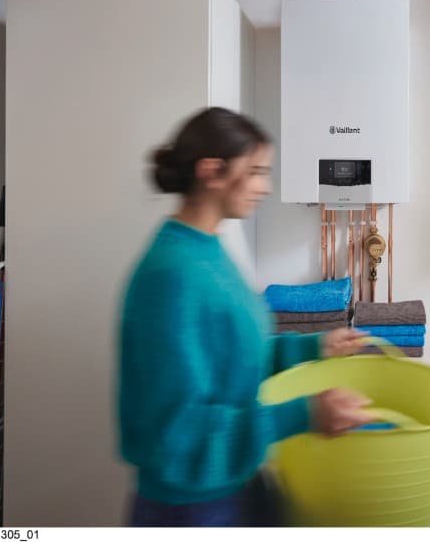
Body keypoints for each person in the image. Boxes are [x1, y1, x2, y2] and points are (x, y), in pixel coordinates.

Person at [118, 107, 373, 526]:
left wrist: (311, 345)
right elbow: (180, 435)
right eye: (255, 171)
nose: (265, 186)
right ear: (212, 172)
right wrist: (303, 414)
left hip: (234, 484)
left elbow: (231, 356)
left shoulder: (207, 249)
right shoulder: (171, 275)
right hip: (190, 509)